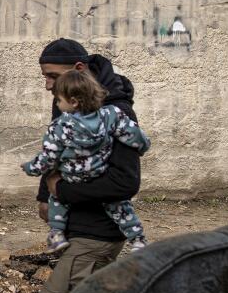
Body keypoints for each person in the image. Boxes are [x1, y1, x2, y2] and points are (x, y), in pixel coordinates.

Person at [0, 38, 143, 293]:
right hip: (81, 230)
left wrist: (64, 190)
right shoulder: (70, 97)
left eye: (52, 76)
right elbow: (55, 150)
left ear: (79, 70)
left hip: (97, 235)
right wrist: (46, 193)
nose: (47, 86)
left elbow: (125, 182)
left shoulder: (116, 114)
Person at [22, 68, 150, 253]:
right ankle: (137, 240)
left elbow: (49, 157)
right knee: (121, 207)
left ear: (73, 101)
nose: (57, 104)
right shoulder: (110, 115)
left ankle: (57, 235)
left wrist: (31, 168)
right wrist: (144, 145)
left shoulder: (61, 126)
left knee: (57, 200)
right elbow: (132, 134)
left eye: (59, 99)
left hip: (73, 177)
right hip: (99, 173)